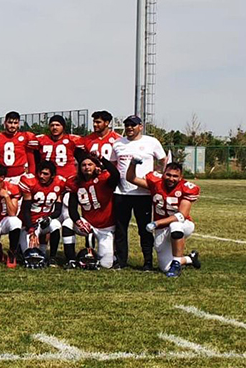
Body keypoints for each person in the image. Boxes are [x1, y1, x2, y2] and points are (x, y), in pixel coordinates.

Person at [109, 115, 167, 270]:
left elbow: (163, 160)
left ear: (140, 126)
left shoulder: (151, 142)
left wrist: (158, 176)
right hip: (122, 193)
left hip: (143, 193)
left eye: (133, 125)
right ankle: (121, 260)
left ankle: (147, 261)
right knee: (121, 228)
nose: (129, 128)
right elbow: (113, 163)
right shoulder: (118, 143)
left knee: (145, 228)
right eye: (127, 125)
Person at [125, 161, 201, 277]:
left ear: (181, 177)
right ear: (163, 173)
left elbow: (181, 216)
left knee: (175, 225)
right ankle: (189, 259)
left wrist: (156, 223)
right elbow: (131, 178)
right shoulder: (156, 183)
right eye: (168, 175)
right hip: (162, 228)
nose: (171, 178)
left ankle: (176, 265)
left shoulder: (186, 188)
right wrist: (132, 164)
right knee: (165, 267)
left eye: (175, 176)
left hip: (184, 224)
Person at [66, 153, 120, 269]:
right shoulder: (75, 183)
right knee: (67, 223)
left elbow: (116, 175)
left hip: (105, 227)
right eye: (84, 165)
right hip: (88, 224)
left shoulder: (103, 179)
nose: (87, 167)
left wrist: (102, 159)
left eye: (90, 164)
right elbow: (72, 208)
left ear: (96, 166)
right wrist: (78, 222)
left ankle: (110, 255)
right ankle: (70, 258)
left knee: (106, 264)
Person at [18, 160, 67, 262]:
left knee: (56, 224)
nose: (41, 176)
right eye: (40, 173)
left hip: (43, 222)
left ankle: (52, 257)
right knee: (30, 255)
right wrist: (31, 229)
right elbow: (25, 210)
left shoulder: (59, 184)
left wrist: (49, 218)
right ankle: (19, 248)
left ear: (52, 175)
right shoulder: (31, 182)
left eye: (45, 174)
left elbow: (58, 210)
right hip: (28, 223)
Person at [0, 111, 38, 184]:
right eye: (10, 122)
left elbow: (31, 161)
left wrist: (31, 175)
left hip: (19, 176)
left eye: (15, 123)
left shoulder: (25, 137)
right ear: (5, 123)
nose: (12, 125)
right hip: (2, 177)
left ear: (18, 124)